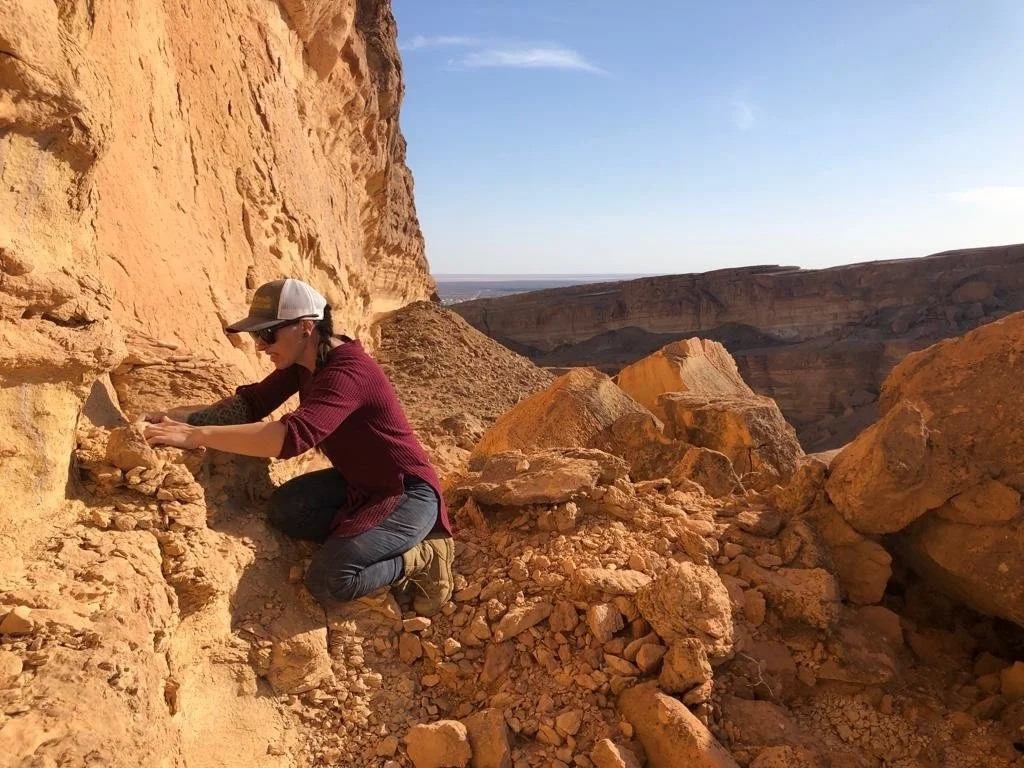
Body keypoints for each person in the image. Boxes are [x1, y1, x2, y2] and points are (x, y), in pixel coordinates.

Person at [142, 278, 454, 618]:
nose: (260, 346)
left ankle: (422, 557)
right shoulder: (306, 363)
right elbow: (253, 403)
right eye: (256, 336)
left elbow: (291, 438)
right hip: (361, 483)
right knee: (286, 510)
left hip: (406, 491)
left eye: (267, 334)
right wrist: (181, 418)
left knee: (329, 580)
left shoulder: (348, 372)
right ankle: (364, 537)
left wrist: (197, 436)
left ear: (306, 327)